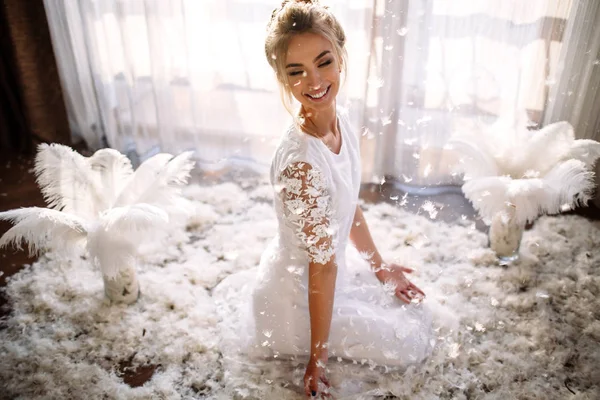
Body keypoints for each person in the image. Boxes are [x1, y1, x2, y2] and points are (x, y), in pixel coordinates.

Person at [251, 0, 433, 397]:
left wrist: (380, 266)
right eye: (296, 72)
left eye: (323, 62)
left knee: (410, 306)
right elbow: (322, 268)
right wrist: (319, 356)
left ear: (341, 56)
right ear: (282, 78)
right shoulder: (301, 166)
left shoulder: (341, 119)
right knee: (407, 343)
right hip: (300, 299)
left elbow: (347, 206)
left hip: (330, 272)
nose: (314, 81)